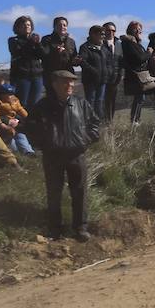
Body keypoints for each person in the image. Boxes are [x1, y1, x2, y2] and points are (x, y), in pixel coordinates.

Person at [22, 70, 100, 241]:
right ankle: (55, 229)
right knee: (54, 192)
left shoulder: (81, 104)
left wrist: (84, 140)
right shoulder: (42, 106)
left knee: (80, 192)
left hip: (76, 154)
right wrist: (44, 144)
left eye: (72, 82)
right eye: (65, 82)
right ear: (54, 84)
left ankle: (80, 228)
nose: (70, 85)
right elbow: (29, 127)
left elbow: (95, 125)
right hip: (53, 156)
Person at [0, 83, 36, 155]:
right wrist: (2, 125)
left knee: (20, 135)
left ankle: (28, 151)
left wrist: (27, 117)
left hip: (14, 121)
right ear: (2, 94)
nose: (10, 96)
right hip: (2, 123)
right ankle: (14, 151)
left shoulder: (15, 100)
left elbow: (20, 109)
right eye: (7, 94)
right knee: (11, 141)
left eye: (11, 94)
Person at [8, 15, 44, 108]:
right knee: (21, 103)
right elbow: (19, 52)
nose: (27, 27)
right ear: (18, 27)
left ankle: (33, 121)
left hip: (36, 76)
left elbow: (42, 55)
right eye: (24, 25)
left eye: (28, 25)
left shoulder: (35, 40)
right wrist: (31, 42)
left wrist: (38, 44)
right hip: (21, 77)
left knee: (35, 104)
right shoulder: (13, 40)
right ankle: (22, 122)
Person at [78, 25, 114, 118]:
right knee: (90, 102)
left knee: (99, 102)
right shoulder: (85, 47)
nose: (103, 36)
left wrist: (108, 72)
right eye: (101, 34)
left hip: (102, 81)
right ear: (93, 35)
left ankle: (97, 124)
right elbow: (82, 62)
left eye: (104, 34)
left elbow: (109, 62)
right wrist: (94, 71)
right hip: (90, 81)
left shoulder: (105, 48)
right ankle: (88, 123)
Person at [121, 21, 151, 124]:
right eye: (136, 29)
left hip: (138, 74)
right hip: (134, 75)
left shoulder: (136, 43)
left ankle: (136, 120)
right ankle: (134, 121)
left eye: (140, 29)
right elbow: (139, 58)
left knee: (140, 98)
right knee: (139, 98)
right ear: (130, 30)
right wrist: (148, 53)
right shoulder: (128, 43)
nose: (138, 31)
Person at [40, 16, 81, 93]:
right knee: (52, 99)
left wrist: (76, 61)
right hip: (52, 76)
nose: (62, 27)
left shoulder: (71, 41)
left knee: (67, 100)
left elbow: (73, 57)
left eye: (64, 25)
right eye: (59, 25)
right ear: (54, 27)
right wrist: (56, 52)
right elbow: (43, 56)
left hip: (68, 75)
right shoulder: (46, 39)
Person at [101, 22, 123, 122]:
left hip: (115, 77)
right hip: (102, 77)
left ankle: (109, 122)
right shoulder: (100, 43)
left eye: (113, 30)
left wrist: (120, 75)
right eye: (108, 30)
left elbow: (121, 60)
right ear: (103, 31)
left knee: (112, 101)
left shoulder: (119, 43)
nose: (111, 32)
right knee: (101, 101)